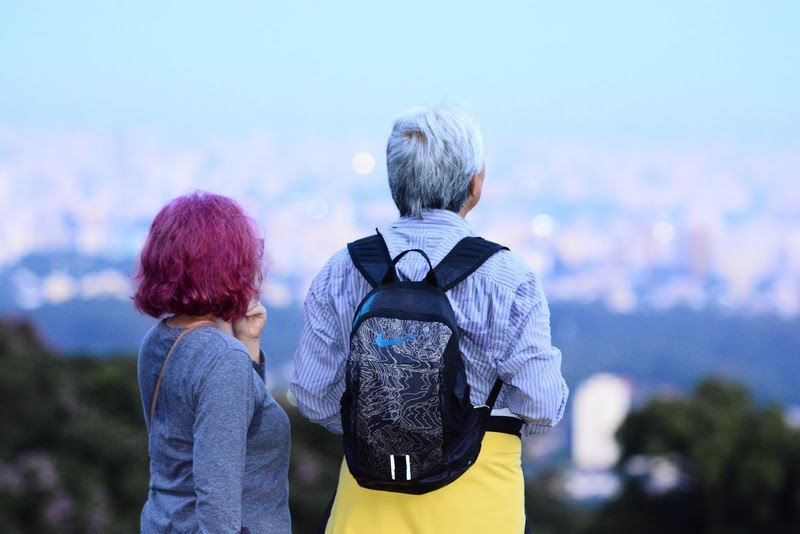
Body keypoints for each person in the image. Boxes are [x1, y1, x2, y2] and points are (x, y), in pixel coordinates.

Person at [291, 102, 569, 533]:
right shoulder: (508, 277)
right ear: (475, 184)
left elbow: (312, 394)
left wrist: (384, 427)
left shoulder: (342, 268)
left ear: (394, 182)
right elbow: (542, 405)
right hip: (479, 505)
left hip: (365, 504)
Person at [133, 191, 291, 533]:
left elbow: (229, 432)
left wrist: (247, 343)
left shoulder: (158, 340)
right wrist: (236, 352)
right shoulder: (222, 358)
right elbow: (217, 505)